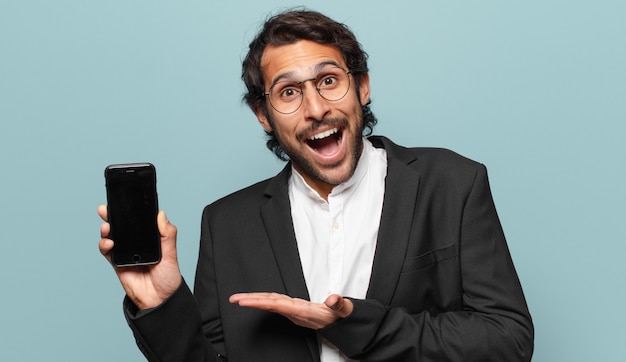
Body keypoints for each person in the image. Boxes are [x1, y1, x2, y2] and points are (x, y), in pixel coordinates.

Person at [98, 9, 534, 362]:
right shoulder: (226, 223)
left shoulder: (452, 183)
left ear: (361, 86)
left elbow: (508, 340)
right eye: (288, 92)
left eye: (329, 81)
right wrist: (161, 305)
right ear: (263, 115)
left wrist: (352, 324)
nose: (315, 108)